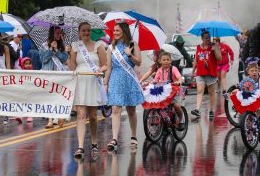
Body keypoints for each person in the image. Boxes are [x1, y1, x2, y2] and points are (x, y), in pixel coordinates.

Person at [68, 22, 108, 159]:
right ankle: (80, 147)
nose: (86, 33)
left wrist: (99, 70)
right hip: (80, 82)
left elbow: (105, 65)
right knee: (80, 115)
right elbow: (72, 67)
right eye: (83, 31)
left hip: (93, 81)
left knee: (92, 116)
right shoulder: (75, 46)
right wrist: (69, 54)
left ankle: (94, 141)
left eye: (88, 30)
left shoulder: (99, 46)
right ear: (79, 32)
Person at [104, 22, 143, 152]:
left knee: (131, 110)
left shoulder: (132, 44)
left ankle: (133, 136)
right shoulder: (111, 48)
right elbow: (109, 67)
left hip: (129, 79)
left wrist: (130, 54)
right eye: (114, 31)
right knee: (115, 109)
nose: (114, 33)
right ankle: (114, 139)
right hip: (115, 79)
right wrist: (105, 83)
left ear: (124, 31)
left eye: (117, 30)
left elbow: (139, 62)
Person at [39, 26, 69, 129]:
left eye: (60, 33)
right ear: (52, 33)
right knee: (48, 97)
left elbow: (64, 59)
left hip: (59, 73)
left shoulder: (62, 46)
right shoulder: (43, 46)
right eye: (57, 33)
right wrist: (50, 49)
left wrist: (56, 50)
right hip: (48, 73)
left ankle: (60, 115)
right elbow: (43, 60)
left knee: (58, 96)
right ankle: (50, 120)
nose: (58, 35)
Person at [190, 30, 221, 119]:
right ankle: (197, 109)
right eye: (206, 38)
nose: (208, 39)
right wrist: (193, 71)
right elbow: (196, 59)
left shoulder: (214, 46)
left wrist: (215, 50)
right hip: (200, 72)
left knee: (211, 92)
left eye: (209, 37)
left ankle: (211, 110)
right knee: (200, 91)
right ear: (202, 38)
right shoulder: (198, 47)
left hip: (211, 73)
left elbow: (219, 59)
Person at [152, 51, 185, 130]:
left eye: (168, 59)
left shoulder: (173, 69)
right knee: (158, 103)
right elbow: (155, 80)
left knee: (176, 105)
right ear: (160, 61)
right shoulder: (159, 70)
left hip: (175, 91)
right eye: (164, 60)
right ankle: (165, 119)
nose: (166, 61)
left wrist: (179, 81)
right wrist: (151, 83)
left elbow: (179, 77)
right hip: (164, 91)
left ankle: (182, 119)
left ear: (171, 61)